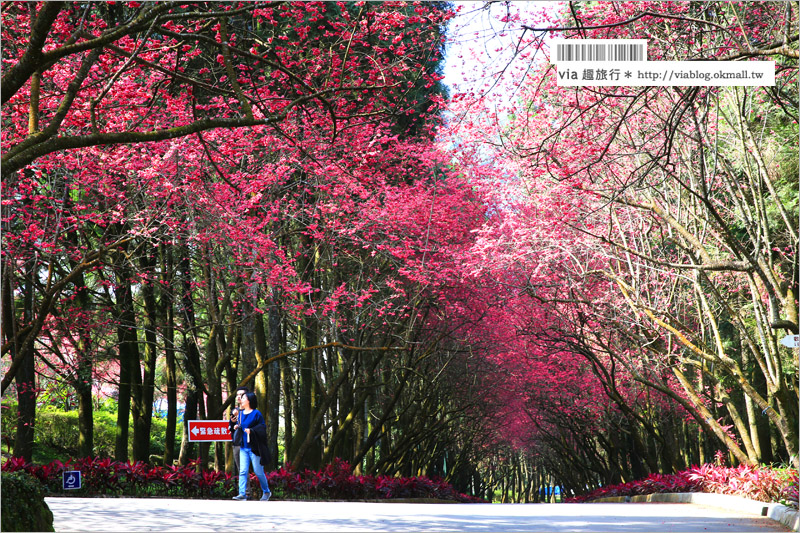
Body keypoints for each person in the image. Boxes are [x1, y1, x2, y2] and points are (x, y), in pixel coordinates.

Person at [231, 391, 272, 501]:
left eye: (243, 398)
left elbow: (262, 428)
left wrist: (252, 431)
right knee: (243, 471)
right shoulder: (240, 414)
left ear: (249, 401)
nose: (241, 399)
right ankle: (242, 494)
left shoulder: (256, 414)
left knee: (258, 472)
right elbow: (240, 425)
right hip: (243, 447)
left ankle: (266, 491)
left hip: (255, 448)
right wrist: (237, 427)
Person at [228, 386, 249, 474]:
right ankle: (244, 488)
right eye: (237, 395)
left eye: (241, 395)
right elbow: (231, 429)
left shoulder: (252, 411)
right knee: (241, 470)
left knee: (254, 470)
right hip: (237, 444)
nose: (239, 397)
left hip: (249, 445)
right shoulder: (234, 411)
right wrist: (233, 424)